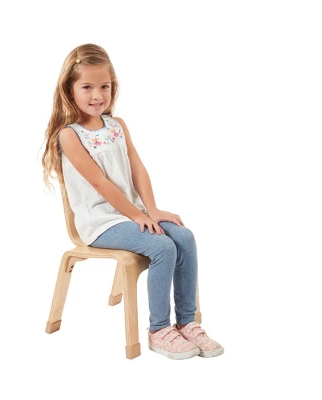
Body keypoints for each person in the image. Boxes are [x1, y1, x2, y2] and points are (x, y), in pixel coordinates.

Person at [41, 43, 224, 360]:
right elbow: (100, 183)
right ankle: (159, 330)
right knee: (162, 246)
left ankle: (187, 322)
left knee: (184, 237)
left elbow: (137, 167)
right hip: (100, 223)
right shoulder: (69, 135)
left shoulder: (117, 125)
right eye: (87, 87)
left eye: (104, 86)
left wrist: (151, 210)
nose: (97, 95)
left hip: (133, 214)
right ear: (70, 90)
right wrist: (137, 216)